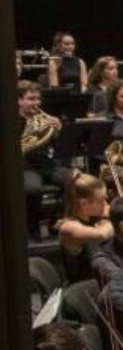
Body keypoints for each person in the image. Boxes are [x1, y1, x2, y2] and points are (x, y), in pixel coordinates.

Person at [19, 80, 69, 239]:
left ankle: (59, 221)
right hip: (24, 166)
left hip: (45, 164)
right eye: (31, 99)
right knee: (33, 189)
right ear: (18, 100)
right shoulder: (9, 119)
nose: (36, 103)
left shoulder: (44, 120)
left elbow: (61, 147)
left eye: (38, 99)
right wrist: (27, 130)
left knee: (77, 181)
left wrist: (59, 130)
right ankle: (31, 230)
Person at [58, 174, 114, 284]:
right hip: (85, 291)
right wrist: (121, 215)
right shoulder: (69, 227)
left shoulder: (94, 220)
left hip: (101, 283)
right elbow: (101, 234)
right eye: (100, 201)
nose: (105, 204)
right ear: (83, 203)